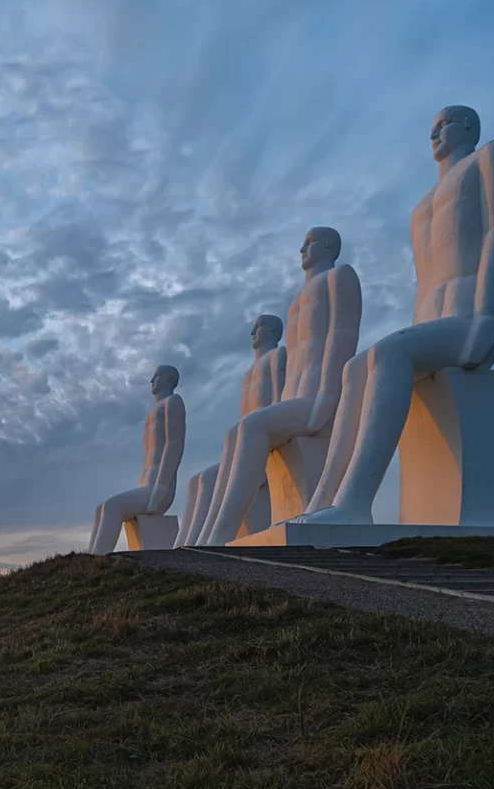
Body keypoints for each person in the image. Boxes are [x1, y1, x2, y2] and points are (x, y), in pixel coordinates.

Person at [301, 105, 494, 524]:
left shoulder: (490, 158)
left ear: (469, 127)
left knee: (388, 354)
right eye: (432, 128)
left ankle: (355, 502)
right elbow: (426, 279)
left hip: (468, 318)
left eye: (444, 124)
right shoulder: (421, 209)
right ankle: (323, 502)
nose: (434, 133)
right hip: (433, 324)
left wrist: (490, 317)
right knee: (354, 369)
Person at [198, 227, 361, 545]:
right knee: (237, 432)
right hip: (296, 398)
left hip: (317, 397)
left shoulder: (338, 277)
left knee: (252, 426)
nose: (302, 248)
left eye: (309, 242)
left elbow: (341, 336)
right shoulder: (297, 301)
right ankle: (206, 534)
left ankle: (220, 535)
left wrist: (326, 399)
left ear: (328, 245)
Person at [177, 314, 284, 547]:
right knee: (201, 479)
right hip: (250, 445)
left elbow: (278, 402)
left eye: (259, 327)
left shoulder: (278, 356)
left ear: (275, 331)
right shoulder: (248, 375)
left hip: (267, 443)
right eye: (253, 327)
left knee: (229, 459)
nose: (252, 332)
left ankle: (217, 536)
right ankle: (191, 542)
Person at [87, 365, 186, 555]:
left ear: (168, 379)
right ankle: (88, 558)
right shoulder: (152, 414)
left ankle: (97, 558)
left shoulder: (172, 402)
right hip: (146, 486)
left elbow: (174, 445)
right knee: (101, 508)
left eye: (156, 376)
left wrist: (161, 489)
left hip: (158, 488)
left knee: (112, 507)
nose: (151, 380)